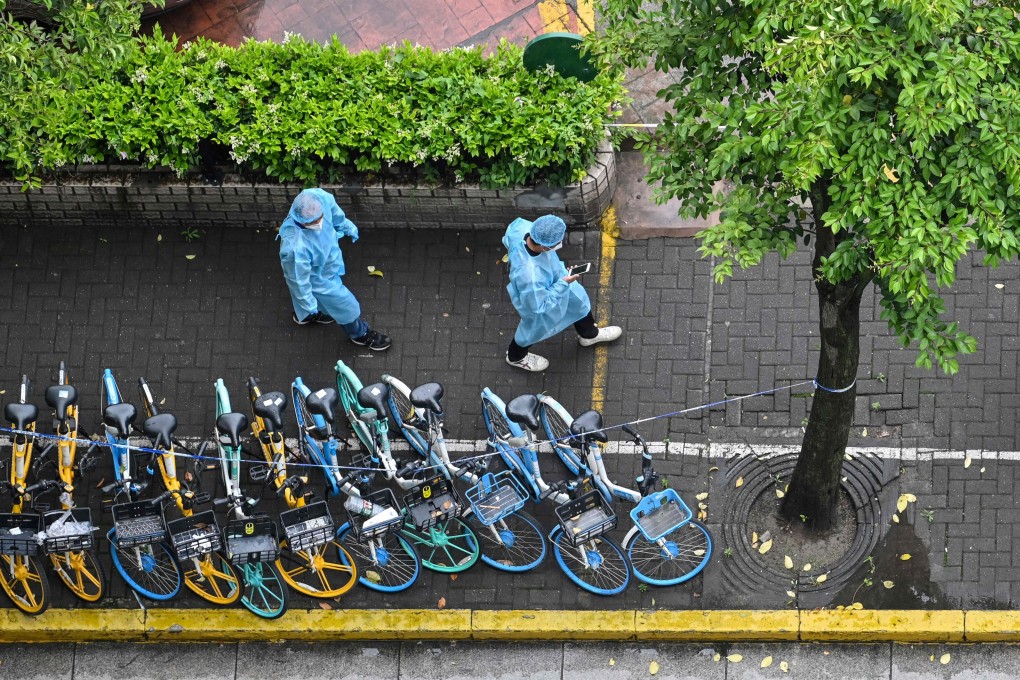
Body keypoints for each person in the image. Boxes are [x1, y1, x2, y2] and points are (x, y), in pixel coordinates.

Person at [503, 214, 621, 371]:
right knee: (532, 330)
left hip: (560, 282)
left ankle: (589, 335)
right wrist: (564, 283)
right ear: (545, 247)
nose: (560, 244)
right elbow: (539, 306)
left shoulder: (523, 227)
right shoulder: (529, 276)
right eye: (557, 243)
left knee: (579, 304)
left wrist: (563, 280)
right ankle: (515, 357)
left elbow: (508, 237)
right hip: (542, 299)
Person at [278, 188, 391, 351]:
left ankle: (310, 314)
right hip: (318, 280)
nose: (318, 223)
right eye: (312, 222)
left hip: (327, 264)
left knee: (317, 302)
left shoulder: (318, 197)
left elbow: (335, 213)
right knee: (347, 306)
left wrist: (347, 226)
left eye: (320, 217)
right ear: (300, 219)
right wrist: (307, 304)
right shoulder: (294, 247)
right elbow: (298, 281)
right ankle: (360, 334)